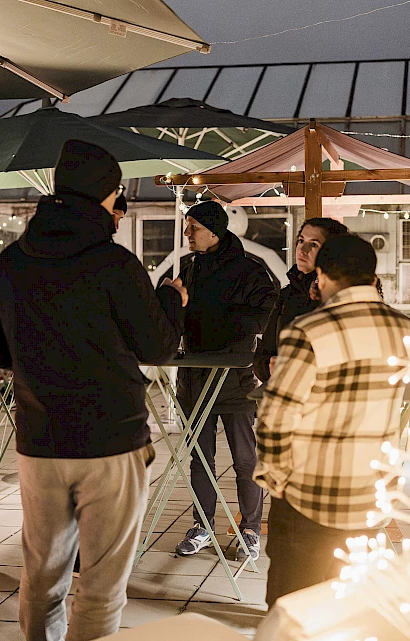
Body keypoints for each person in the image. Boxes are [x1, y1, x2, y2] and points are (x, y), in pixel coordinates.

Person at [0, 139, 185, 641]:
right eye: (119, 196)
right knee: (102, 585)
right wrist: (170, 300)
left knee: (42, 577)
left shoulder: (11, 262)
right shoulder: (114, 263)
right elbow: (158, 346)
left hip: (40, 442)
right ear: (106, 198)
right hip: (111, 442)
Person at [253, 234, 410, 607]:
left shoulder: (307, 331)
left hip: (309, 496)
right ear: (372, 277)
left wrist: (276, 480)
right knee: (344, 608)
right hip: (370, 496)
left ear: (321, 276)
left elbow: (275, 419)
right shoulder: (403, 328)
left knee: (292, 609)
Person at [172, 200, 278, 563]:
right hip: (194, 378)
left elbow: (267, 315)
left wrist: (221, 323)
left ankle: (250, 529)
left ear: (214, 231)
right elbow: (175, 316)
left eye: (193, 227)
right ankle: (202, 525)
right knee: (200, 458)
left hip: (235, 380)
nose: (187, 233)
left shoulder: (251, 271)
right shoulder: (188, 267)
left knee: (245, 459)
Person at [252, 218, 349, 382]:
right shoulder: (287, 295)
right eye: (300, 241)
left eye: (314, 244)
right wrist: (270, 368)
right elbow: (263, 355)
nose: (302, 250)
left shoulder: (340, 296)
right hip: (284, 391)